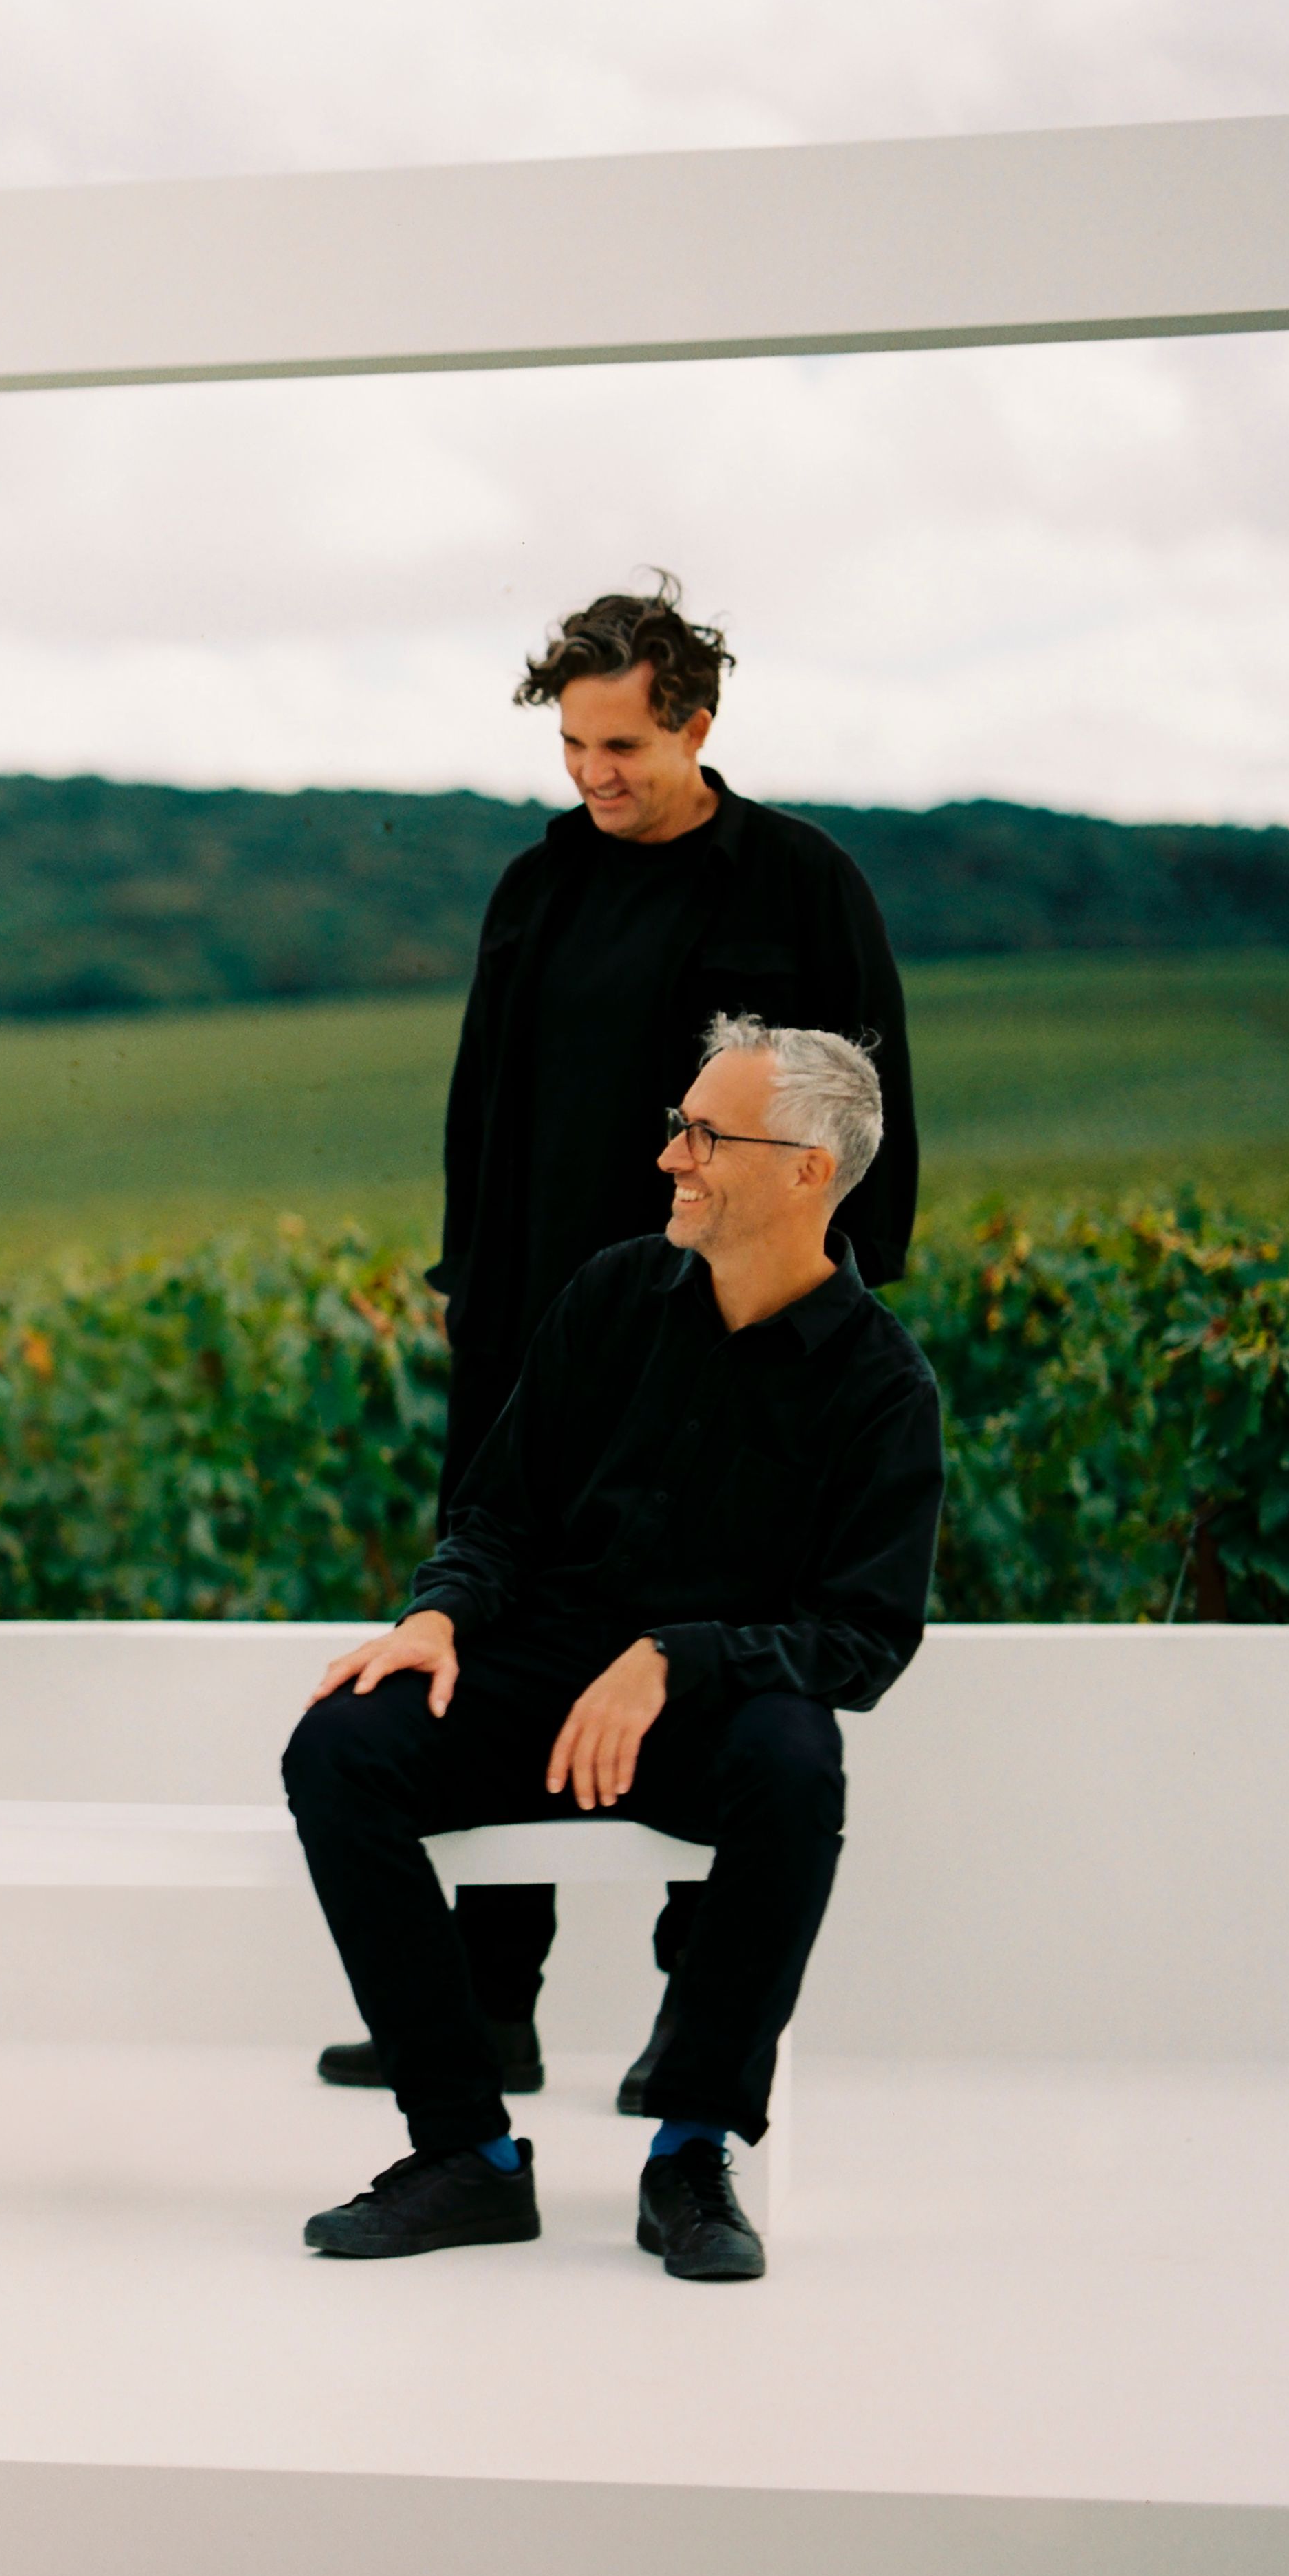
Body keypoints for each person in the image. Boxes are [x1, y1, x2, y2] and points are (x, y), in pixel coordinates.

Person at [320, 577, 917, 2118]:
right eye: (571, 748)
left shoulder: (800, 885)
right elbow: (484, 1096)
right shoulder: (538, 884)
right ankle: (484, 2007)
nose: (591, 776)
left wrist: (831, 1320)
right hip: (540, 1329)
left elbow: (867, 1120)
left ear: (694, 725)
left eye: (620, 749)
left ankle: (686, 2021)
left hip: (721, 1331)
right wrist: (470, 1286)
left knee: (718, 1669)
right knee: (495, 1614)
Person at [281, 1017, 942, 2281]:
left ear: (811, 1167)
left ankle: (690, 2156)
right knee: (344, 1745)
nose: (671, 1159)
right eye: (678, 1126)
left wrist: (674, 1659)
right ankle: (463, 2154)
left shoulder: (881, 1387)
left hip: (716, 1715)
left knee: (797, 1767)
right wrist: (437, 1617)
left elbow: (862, 1641)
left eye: (706, 1134)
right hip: (540, 1678)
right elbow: (499, 1517)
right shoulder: (613, 1296)